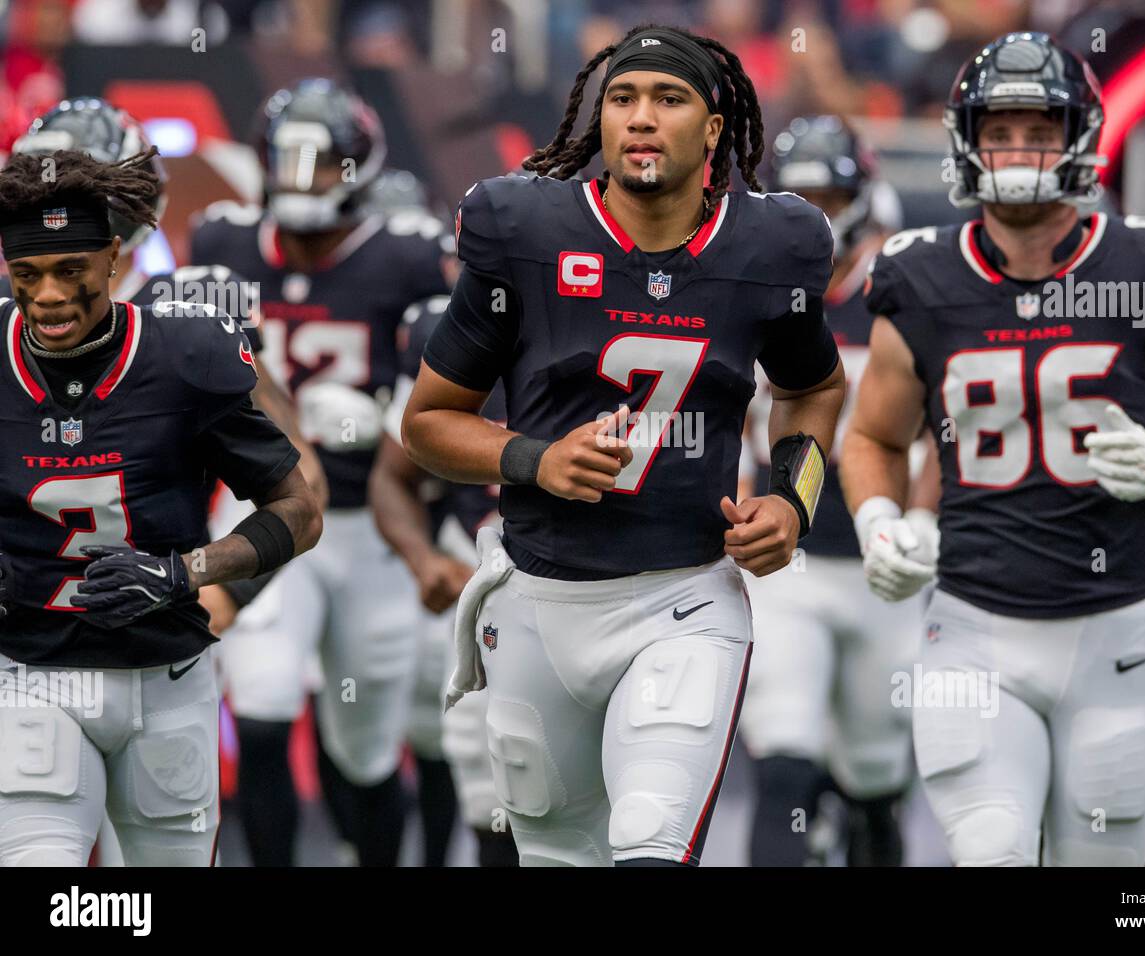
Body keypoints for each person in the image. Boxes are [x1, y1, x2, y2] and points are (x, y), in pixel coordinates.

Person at [403, 22, 847, 866]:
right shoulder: (523, 229)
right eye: (623, 97)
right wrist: (534, 457)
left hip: (681, 600)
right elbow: (426, 423)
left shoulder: (770, 246)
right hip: (539, 602)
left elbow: (814, 389)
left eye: (669, 99)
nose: (641, 117)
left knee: (649, 842)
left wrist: (794, 498)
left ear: (714, 129)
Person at [841, 31, 1145, 866]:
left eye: (1040, 130)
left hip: (1116, 628)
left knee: (1103, 860)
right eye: (1001, 131)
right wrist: (880, 519)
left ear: (1077, 138)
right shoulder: (920, 279)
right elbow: (873, 436)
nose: (1020, 151)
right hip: (971, 624)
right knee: (991, 848)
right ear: (969, 139)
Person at [0, 147, 321, 865]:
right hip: (33, 672)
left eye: (69, 271)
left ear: (114, 258)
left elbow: (298, 509)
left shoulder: (181, 353)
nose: (47, 295)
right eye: (27, 275)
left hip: (166, 676)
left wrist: (188, 572)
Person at [189, 78, 449, 866]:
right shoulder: (223, 243)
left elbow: (451, 385)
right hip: (267, 509)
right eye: (289, 161)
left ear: (361, 166)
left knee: (366, 750)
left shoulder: (406, 255)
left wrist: (389, 418)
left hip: (370, 526)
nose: (303, 179)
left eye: (322, 162)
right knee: (263, 710)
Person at [739, 114, 923, 866]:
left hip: (885, 560)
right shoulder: (746, 283)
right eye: (799, 193)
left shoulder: (905, 286)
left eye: (829, 191)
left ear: (862, 197)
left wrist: (929, 520)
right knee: (784, 753)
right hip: (787, 562)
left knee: (876, 778)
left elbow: (949, 415)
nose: (814, 210)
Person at [370, 292, 519, 866]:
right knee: (486, 768)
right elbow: (394, 474)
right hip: (482, 567)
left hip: (596, 574)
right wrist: (422, 558)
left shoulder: (621, 313)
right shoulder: (451, 323)